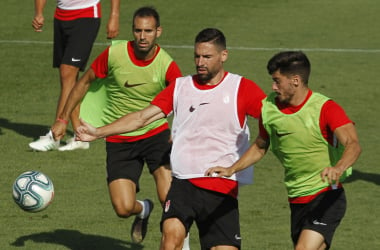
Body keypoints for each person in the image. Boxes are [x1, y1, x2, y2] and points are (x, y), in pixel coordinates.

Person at [76, 28, 266, 249]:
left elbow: (271, 126)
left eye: (207, 56)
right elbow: (140, 118)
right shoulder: (180, 87)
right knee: (170, 239)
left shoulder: (241, 88)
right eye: (197, 56)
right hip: (183, 184)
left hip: (221, 189)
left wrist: (234, 168)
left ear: (224, 56)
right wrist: (99, 132)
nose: (200, 62)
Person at [50, 6, 182, 244]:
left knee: (170, 199)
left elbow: (184, 101)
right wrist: (62, 119)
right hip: (119, 137)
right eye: (138, 30)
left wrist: (178, 130)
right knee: (123, 208)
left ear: (158, 32)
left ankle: (182, 244)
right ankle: (143, 209)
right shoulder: (115, 54)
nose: (143, 36)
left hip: (155, 134)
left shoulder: (167, 65)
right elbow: (83, 83)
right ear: (132, 30)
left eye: (148, 31)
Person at [205, 51, 362, 250]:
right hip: (296, 198)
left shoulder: (325, 108)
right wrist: (231, 169)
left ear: (295, 80)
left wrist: (338, 168)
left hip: (326, 196)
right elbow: (261, 145)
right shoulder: (269, 108)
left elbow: (353, 144)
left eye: (277, 81)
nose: (273, 87)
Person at [29, 0, 120, 151]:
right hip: (61, 16)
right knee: (69, 79)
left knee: (67, 73)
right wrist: (39, 12)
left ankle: (55, 134)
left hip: (86, 14)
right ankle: (80, 135)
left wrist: (114, 15)